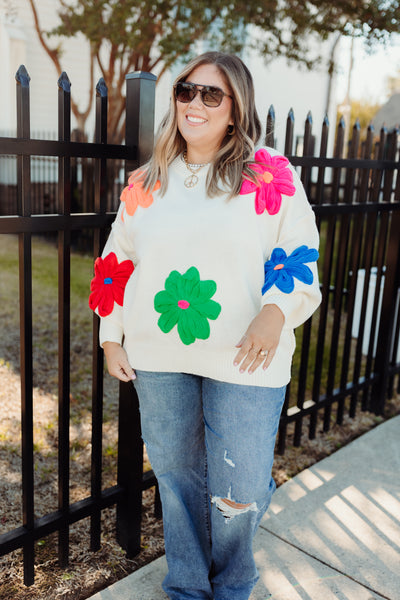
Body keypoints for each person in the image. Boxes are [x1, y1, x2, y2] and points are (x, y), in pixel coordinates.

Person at [89, 51, 321, 600]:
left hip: (245, 356)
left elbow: (300, 253)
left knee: (239, 485)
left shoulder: (271, 175)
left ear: (236, 108)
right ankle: (187, 586)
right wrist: (109, 335)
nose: (195, 103)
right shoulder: (147, 182)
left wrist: (275, 311)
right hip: (158, 356)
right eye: (186, 90)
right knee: (177, 478)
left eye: (211, 94)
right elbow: (114, 261)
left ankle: (233, 582)